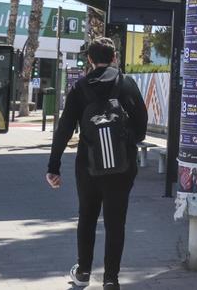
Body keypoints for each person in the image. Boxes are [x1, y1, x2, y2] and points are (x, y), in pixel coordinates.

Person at [46, 38, 147, 289]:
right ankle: (111, 279)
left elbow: (64, 129)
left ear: (90, 60)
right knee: (116, 221)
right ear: (114, 57)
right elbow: (142, 126)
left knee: (87, 217)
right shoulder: (126, 83)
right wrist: (123, 142)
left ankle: (83, 273)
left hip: (87, 165)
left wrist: (53, 166)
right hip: (122, 167)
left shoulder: (80, 87)